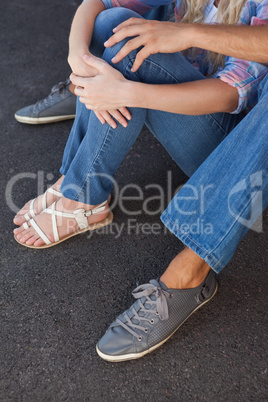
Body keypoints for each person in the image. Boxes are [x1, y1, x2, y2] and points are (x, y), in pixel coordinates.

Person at [13, 0, 267, 360]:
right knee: (115, 25)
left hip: (225, 142)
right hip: (180, 104)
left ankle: (83, 192)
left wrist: (128, 92)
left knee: (124, 56)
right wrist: (77, 60)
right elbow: (98, 4)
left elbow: (230, 96)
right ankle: (80, 189)